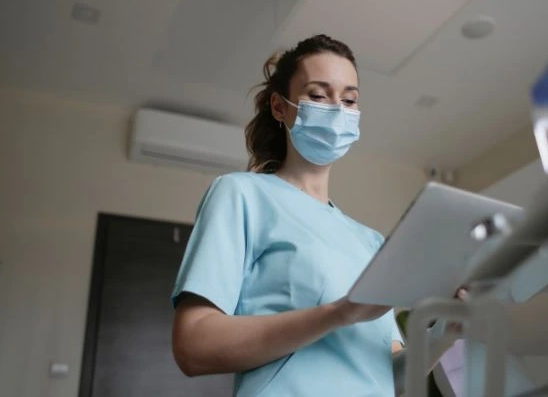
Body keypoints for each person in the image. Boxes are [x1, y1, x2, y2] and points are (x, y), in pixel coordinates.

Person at [171, 34, 421, 397]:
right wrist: (339, 313)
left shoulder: (370, 241)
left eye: (349, 99)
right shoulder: (242, 195)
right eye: (319, 95)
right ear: (280, 107)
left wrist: (447, 332)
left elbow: (389, 379)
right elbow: (193, 346)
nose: (337, 110)